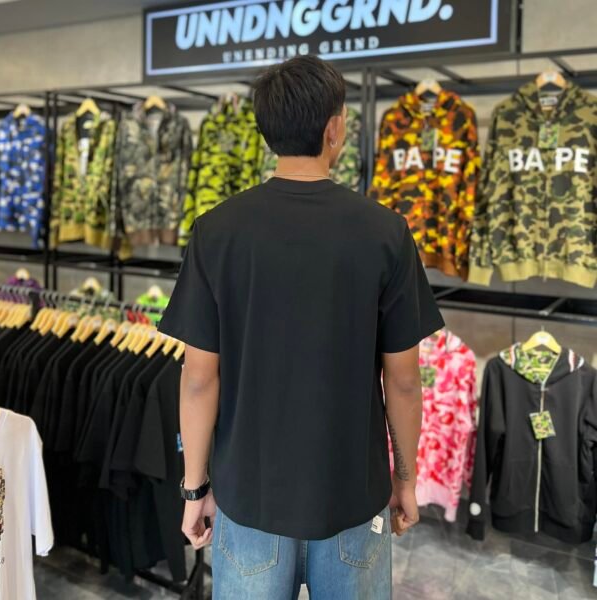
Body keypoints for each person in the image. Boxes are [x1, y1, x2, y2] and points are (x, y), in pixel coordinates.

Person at [158, 55, 444, 600]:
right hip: (353, 501)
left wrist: (194, 489)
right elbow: (405, 382)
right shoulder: (386, 233)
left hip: (250, 502)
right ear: (335, 128)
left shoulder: (216, 232)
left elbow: (198, 380)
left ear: (267, 132)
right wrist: (406, 480)